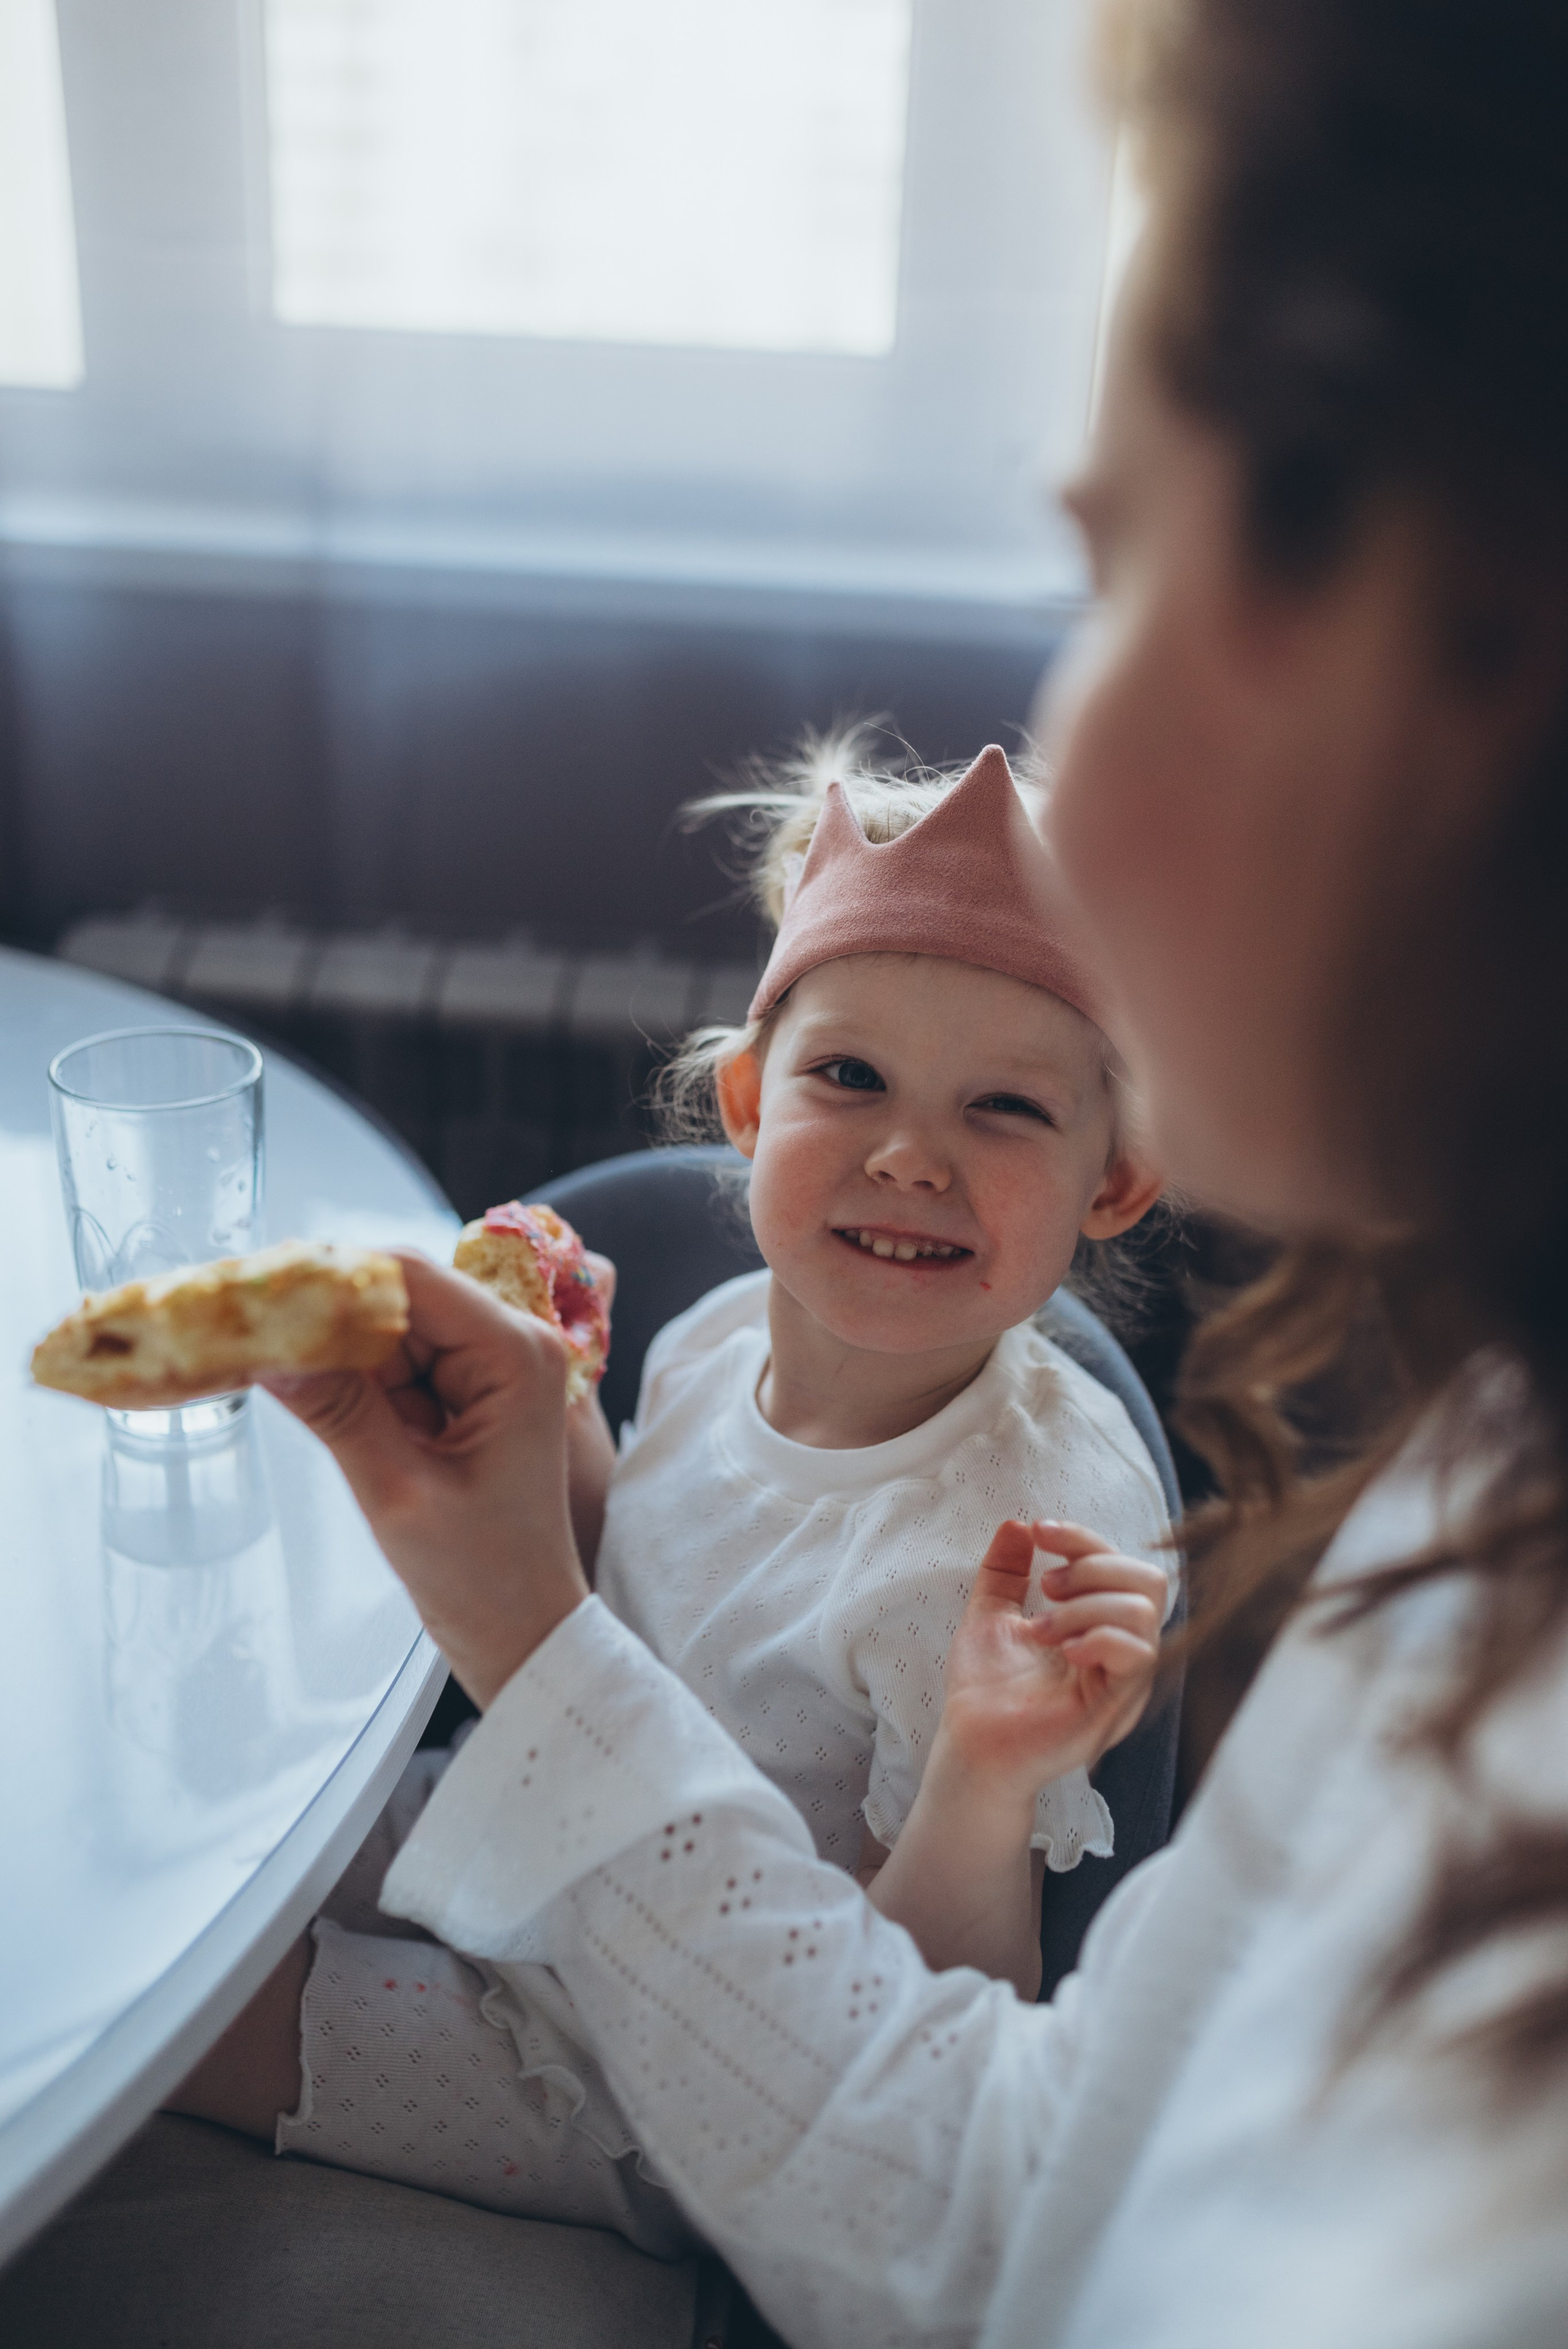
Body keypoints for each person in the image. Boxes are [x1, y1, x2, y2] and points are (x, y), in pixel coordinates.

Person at [226, 1, 1568, 2340]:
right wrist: (536, 1528)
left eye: (1122, 574)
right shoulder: (1470, 1519)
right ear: (745, 1111)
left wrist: (903, 1754)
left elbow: (959, 2162)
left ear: (1477, 634)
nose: (1077, 799)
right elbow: (998, 2208)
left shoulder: (1089, 1520)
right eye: (851, 1079)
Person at [168, 738, 1173, 2247]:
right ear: (753, 1102)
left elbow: (913, 2040)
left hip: (656, 2071)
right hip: (536, 1818)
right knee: (198, 1853)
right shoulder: (716, 1332)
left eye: (1005, 1111)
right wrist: (554, 1392)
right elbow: (608, 1575)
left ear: (1113, 1181)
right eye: (852, 1078)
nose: (908, 1156)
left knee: (188, 2016)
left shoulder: (1015, 1539)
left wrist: (980, 1770)